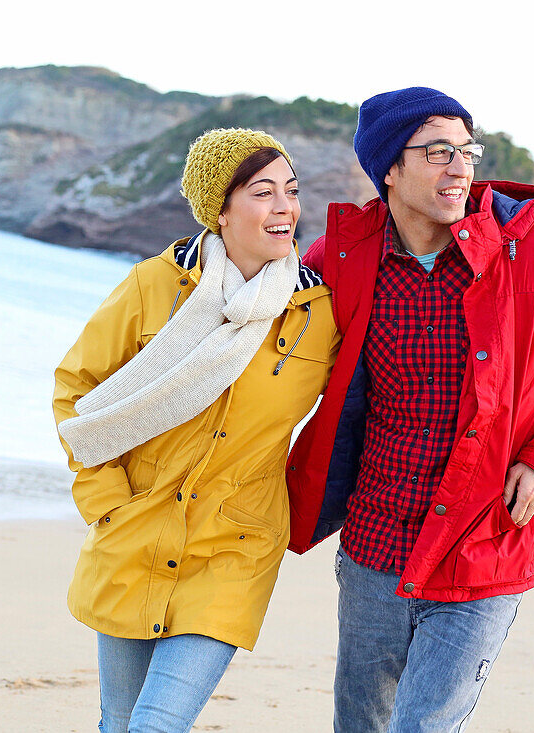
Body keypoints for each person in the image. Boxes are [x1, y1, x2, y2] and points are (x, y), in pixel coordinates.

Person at [286, 87, 534, 732]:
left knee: (423, 725)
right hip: (375, 536)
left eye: (466, 149)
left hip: (487, 537)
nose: (460, 166)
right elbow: (265, 343)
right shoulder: (343, 259)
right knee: (362, 721)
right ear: (389, 170)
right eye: (436, 151)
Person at [52, 127, 339, 732]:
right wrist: (106, 502)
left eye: (291, 190)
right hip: (136, 530)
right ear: (221, 209)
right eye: (263, 192)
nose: (285, 207)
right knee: (119, 724)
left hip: (233, 547)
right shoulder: (155, 286)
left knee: (156, 727)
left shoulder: (319, 315)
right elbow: (77, 393)